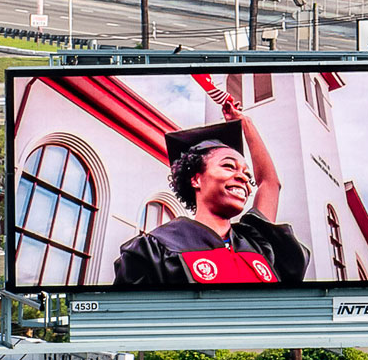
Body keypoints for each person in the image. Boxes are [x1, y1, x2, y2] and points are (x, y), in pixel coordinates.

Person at [111, 122, 309, 286]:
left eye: (247, 174)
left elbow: (270, 184)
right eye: (229, 166)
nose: (242, 177)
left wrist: (245, 123)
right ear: (196, 179)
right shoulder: (156, 248)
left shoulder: (256, 242)